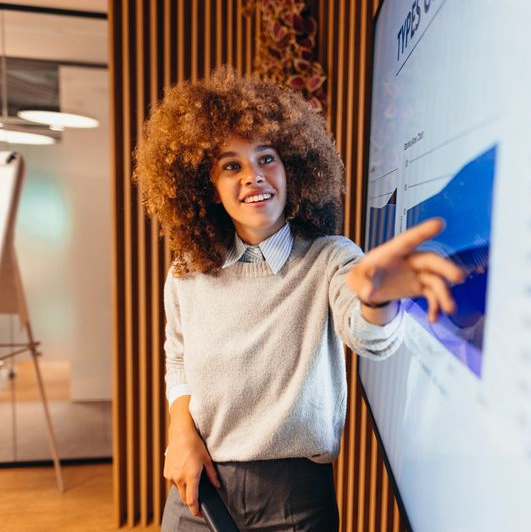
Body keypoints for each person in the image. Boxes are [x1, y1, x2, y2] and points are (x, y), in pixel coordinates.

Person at [134, 66, 464, 531]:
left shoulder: (331, 258)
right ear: (206, 186)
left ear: (292, 166)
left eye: (266, 158)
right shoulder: (187, 271)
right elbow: (179, 360)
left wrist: (376, 299)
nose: (253, 176)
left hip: (295, 500)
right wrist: (179, 429)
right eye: (232, 165)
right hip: (200, 488)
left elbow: (368, 334)